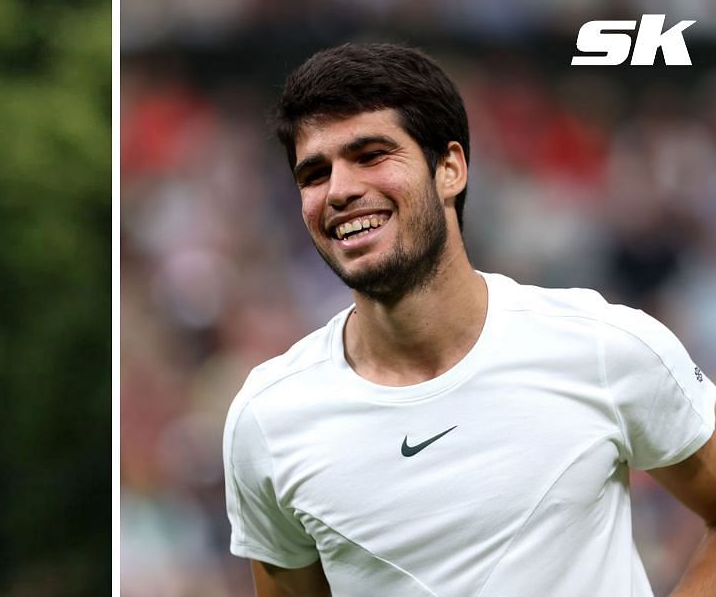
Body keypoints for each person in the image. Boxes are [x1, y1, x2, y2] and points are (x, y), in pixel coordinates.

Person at [221, 43, 716, 596]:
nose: (339, 190)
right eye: (314, 173)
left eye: (371, 155)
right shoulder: (268, 417)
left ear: (450, 168)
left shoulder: (603, 345)